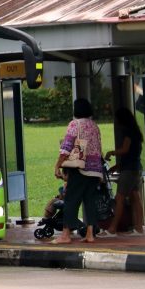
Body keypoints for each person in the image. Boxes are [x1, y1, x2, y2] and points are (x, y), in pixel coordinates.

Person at [52, 98, 104, 244]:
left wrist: (58, 165)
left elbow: (67, 146)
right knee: (89, 201)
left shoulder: (75, 124)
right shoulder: (95, 126)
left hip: (80, 168)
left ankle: (66, 234)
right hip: (95, 170)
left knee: (70, 200)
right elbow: (99, 148)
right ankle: (90, 234)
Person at [104, 107, 145, 236]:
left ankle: (112, 229)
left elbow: (125, 150)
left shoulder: (128, 132)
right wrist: (117, 166)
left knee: (119, 198)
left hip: (129, 171)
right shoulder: (136, 133)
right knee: (136, 198)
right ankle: (139, 228)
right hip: (136, 168)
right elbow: (131, 154)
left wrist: (111, 152)